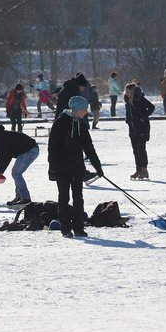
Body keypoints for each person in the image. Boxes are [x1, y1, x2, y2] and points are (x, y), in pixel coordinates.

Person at [47, 96, 103, 237]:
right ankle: (65, 229)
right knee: (63, 198)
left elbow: (89, 148)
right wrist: (52, 168)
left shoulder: (81, 124)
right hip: (61, 168)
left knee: (78, 198)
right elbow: (52, 147)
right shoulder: (60, 123)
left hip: (77, 167)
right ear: (76, 109)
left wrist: (98, 167)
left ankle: (78, 228)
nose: (86, 112)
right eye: (84, 109)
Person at [0, 124, 39, 207]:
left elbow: (4, 157)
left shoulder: (1, 139)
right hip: (27, 151)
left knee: (16, 173)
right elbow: (4, 157)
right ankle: (19, 197)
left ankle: (25, 198)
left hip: (30, 150)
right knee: (16, 173)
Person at [124, 82, 155, 180]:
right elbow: (128, 114)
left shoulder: (140, 99)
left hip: (142, 128)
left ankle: (144, 170)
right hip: (132, 129)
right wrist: (127, 120)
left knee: (141, 149)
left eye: (129, 92)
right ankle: (138, 169)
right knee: (135, 150)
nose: (127, 93)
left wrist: (143, 116)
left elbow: (151, 107)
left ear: (133, 92)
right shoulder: (127, 101)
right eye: (126, 92)